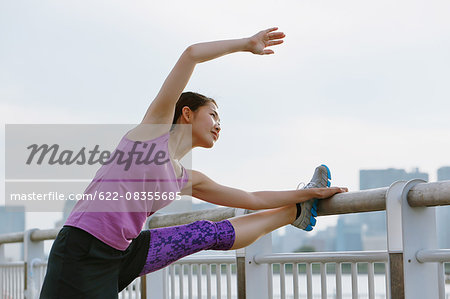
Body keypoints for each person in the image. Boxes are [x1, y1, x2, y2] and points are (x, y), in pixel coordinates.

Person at [39, 27, 348, 299]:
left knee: (206, 233)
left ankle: (297, 211)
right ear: (186, 113)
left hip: (124, 253)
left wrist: (308, 194)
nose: (218, 124)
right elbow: (190, 55)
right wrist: (246, 43)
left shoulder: (186, 177)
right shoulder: (152, 132)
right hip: (81, 249)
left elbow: (252, 199)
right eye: (212, 114)